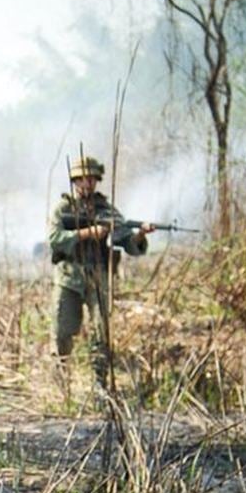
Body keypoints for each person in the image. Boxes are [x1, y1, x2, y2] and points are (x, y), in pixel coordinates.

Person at [48, 154, 154, 393]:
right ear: (74, 181)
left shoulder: (106, 209)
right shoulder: (63, 209)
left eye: (91, 180)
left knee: (100, 331)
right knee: (63, 332)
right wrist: (87, 233)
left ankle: (99, 384)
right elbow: (55, 239)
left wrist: (140, 234)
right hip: (68, 277)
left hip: (97, 277)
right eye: (82, 180)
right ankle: (61, 383)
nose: (87, 184)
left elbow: (127, 242)